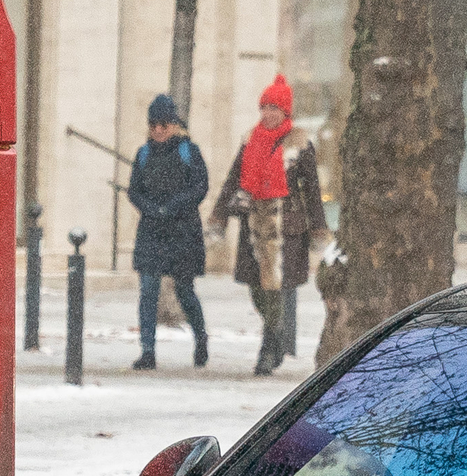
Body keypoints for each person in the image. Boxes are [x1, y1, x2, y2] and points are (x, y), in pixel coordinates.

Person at [213, 75, 324, 376]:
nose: (268, 113)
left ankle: (268, 348)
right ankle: (276, 335)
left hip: (285, 229)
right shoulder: (250, 139)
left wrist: (318, 229)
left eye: (275, 108)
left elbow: (312, 189)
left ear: (286, 112)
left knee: (274, 288)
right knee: (256, 290)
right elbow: (233, 179)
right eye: (264, 107)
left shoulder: (300, 144)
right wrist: (219, 216)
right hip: (253, 227)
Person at [126, 94, 210, 370]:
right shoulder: (144, 153)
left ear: (173, 124)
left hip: (182, 231)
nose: (158, 130)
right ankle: (147, 350)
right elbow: (134, 190)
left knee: (185, 290)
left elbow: (200, 187)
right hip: (151, 230)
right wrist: (150, 208)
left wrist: (174, 206)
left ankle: (200, 337)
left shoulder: (189, 151)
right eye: (153, 125)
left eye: (163, 124)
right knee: (148, 289)